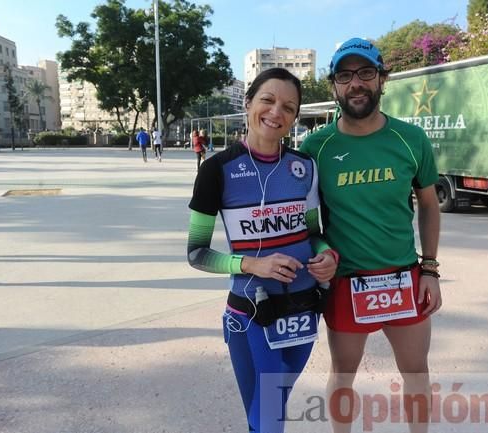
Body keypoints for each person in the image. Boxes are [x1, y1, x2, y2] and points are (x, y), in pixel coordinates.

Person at [300, 37, 442, 433]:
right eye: (345, 76)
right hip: (347, 281)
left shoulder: (410, 140)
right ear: (334, 86)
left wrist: (429, 269)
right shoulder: (316, 147)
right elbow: (308, 222)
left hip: (403, 278)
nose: (355, 83)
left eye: (365, 73)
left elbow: (429, 205)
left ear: (382, 79)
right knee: (343, 373)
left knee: (416, 371)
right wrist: (322, 252)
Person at [186, 67, 338, 433]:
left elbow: (315, 232)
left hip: (305, 308)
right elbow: (197, 253)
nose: (276, 112)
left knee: (271, 407)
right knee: (270, 416)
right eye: (267, 100)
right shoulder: (216, 170)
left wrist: (328, 255)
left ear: (295, 117)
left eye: (288, 107)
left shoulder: (305, 167)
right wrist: (253, 264)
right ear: (248, 102)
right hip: (252, 310)